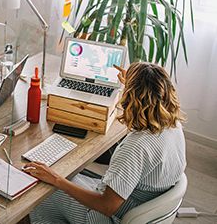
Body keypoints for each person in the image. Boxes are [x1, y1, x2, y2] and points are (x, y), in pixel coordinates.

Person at [25, 62, 186, 223]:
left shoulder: (136, 148)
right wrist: (133, 81)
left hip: (106, 216)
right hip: (137, 203)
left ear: (131, 98)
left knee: (44, 190)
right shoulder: (172, 125)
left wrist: (56, 180)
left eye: (126, 91)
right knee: (70, 176)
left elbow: (107, 206)